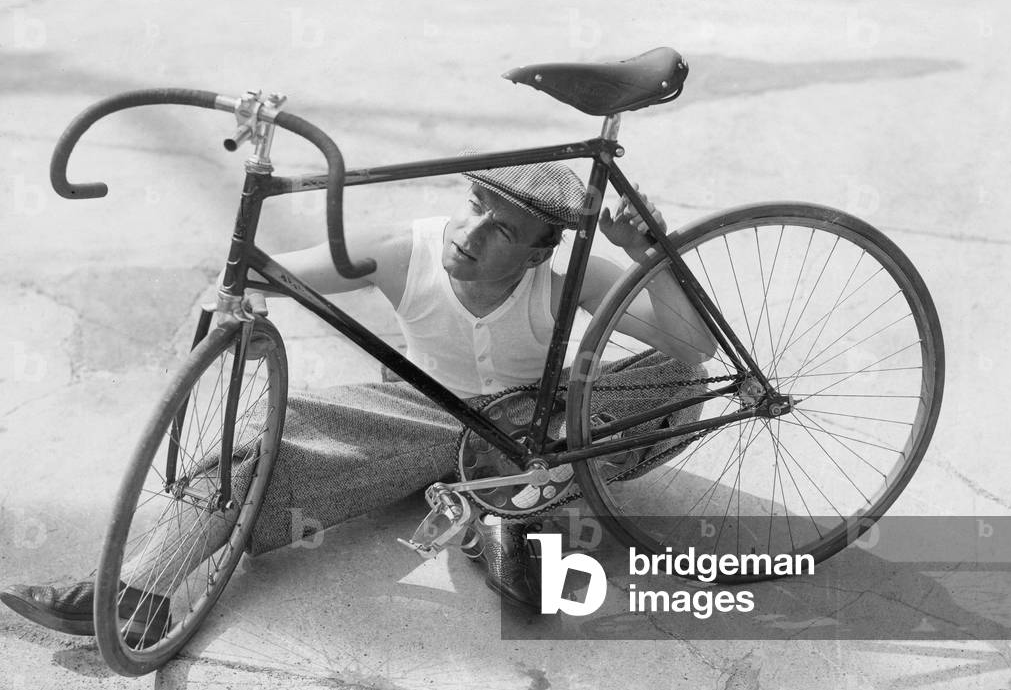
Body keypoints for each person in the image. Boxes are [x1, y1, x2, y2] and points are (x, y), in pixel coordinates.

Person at [1, 158, 717, 640]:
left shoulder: (566, 279)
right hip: (421, 410)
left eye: (501, 229)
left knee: (675, 391)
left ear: (538, 252)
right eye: (474, 207)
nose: (471, 234)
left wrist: (652, 254)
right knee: (269, 440)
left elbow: (694, 350)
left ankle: (503, 507)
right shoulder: (406, 250)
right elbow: (257, 278)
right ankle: (139, 592)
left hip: (537, 422)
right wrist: (239, 315)